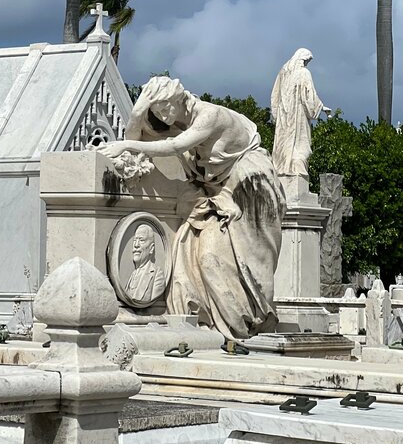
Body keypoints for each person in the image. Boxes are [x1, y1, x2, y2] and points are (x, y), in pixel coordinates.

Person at [103, 76, 285, 340]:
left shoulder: (208, 115)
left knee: (250, 261)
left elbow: (173, 146)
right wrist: (138, 110)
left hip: (249, 185)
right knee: (203, 254)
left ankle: (252, 317)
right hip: (216, 193)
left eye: (165, 107)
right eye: (158, 112)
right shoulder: (178, 122)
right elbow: (136, 138)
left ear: (178, 97)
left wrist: (127, 144)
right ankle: (216, 321)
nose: (164, 117)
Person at [270, 48, 330, 179]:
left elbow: (275, 95)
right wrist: (322, 107)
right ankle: (296, 170)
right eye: (307, 61)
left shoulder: (283, 72)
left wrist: (276, 113)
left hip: (283, 117)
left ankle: (283, 168)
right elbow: (309, 96)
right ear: (302, 59)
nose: (307, 64)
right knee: (302, 148)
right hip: (298, 116)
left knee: (285, 144)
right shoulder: (304, 73)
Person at [125, 223, 167, 304]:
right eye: (134, 240)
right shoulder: (133, 274)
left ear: (151, 248)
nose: (136, 245)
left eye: (141, 240)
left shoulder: (157, 274)